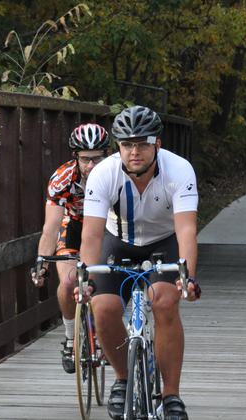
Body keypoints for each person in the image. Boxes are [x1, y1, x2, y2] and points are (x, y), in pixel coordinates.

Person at [79, 105, 201, 420]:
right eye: (127, 145)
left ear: (157, 144)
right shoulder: (103, 173)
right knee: (103, 308)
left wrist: (186, 276)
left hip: (164, 242)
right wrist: (86, 279)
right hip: (116, 241)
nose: (135, 152)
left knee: (163, 301)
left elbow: (186, 228)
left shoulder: (180, 170)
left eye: (143, 144)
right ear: (118, 147)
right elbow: (91, 235)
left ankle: (171, 395)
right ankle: (122, 378)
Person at [30, 122, 110, 373]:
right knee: (67, 284)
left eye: (97, 159)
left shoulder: (119, 172)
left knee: (105, 281)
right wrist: (42, 261)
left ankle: (105, 332)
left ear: (107, 155)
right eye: (85, 160)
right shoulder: (62, 179)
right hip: (74, 224)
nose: (91, 166)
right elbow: (51, 227)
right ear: (75, 156)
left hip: (107, 227)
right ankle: (70, 338)